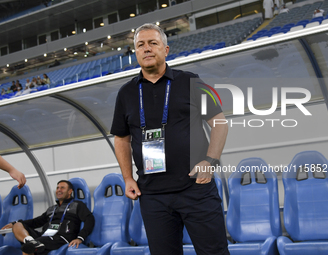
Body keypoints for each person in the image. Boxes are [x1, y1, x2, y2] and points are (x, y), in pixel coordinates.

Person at [111, 23, 229, 255]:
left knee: (214, 252)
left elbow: (220, 123)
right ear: (135, 53)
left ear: (165, 49)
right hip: (153, 195)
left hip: (196, 188)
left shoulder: (191, 81)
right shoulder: (126, 93)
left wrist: (210, 161)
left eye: (153, 43)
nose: (146, 49)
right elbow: (122, 139)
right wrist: (127, 178)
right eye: (140, 45)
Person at [1, 180, 94, 255]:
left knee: (28, 248)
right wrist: (13, 223)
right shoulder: (52, 209)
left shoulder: (77, 205)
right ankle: (30, 240)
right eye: (57, 188)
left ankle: (32, 244)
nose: (59, 190)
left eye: (62, 188)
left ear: (70, 191)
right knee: (18, 225)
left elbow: (90, 219)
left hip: (61, 238)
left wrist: (80, 238)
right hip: (45, 236)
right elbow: (35, 222)